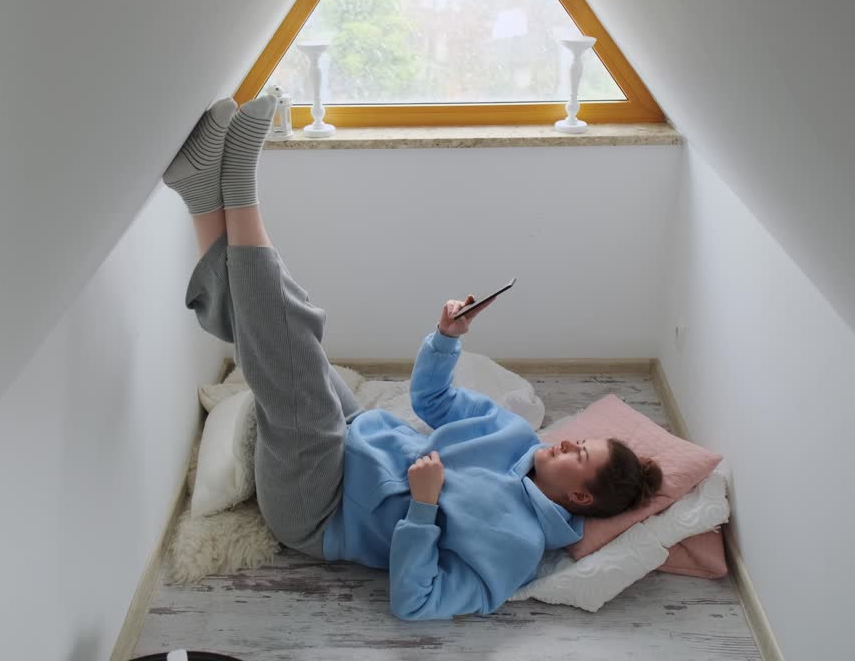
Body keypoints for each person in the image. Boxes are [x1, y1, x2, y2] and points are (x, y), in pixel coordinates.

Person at [161, 94, 664, 621]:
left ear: (580, 499)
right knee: (291, 336)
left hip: (320, 510)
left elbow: (415, 601)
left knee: (290, 355)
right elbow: (432, 398)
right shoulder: (514, 435)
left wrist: (424, 508)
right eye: (579, 441)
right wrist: (446, 338)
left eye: (577, 455)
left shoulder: (517, 545)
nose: (564, 441)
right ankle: (201, 191)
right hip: (355, 433)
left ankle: (238, 184)